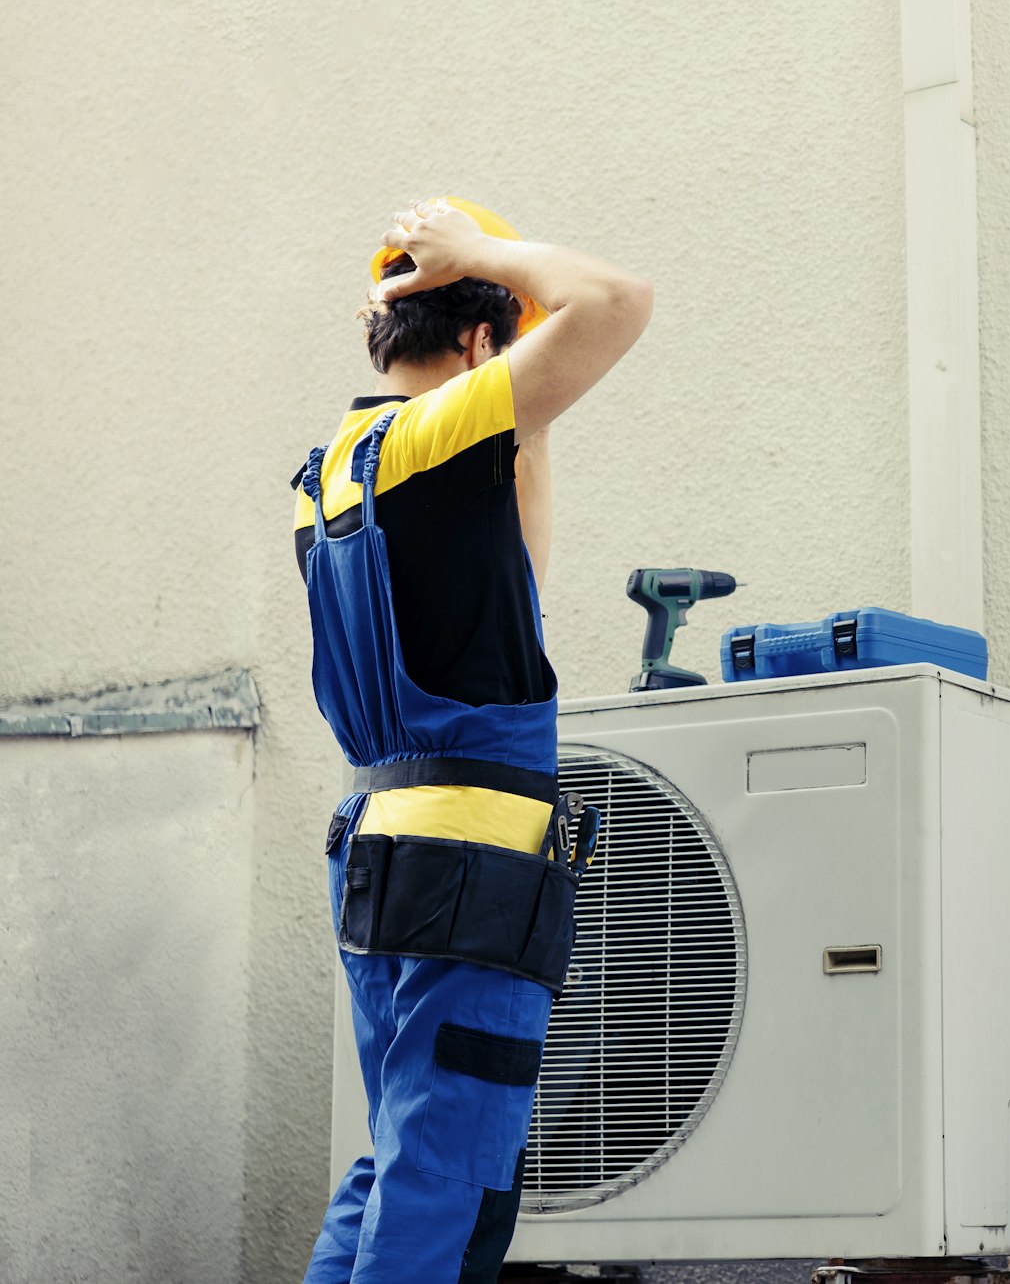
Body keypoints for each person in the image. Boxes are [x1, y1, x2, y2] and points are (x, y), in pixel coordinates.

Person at [292, 198, 652, 1283]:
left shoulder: (336, 474)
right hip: (470, 869)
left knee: (397, 1162)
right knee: (451, 1185)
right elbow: (616, 302)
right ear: (484, 342)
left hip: (383, 850)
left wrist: (474, 298)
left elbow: (520, 514)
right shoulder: (437, 436)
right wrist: (485, 255)